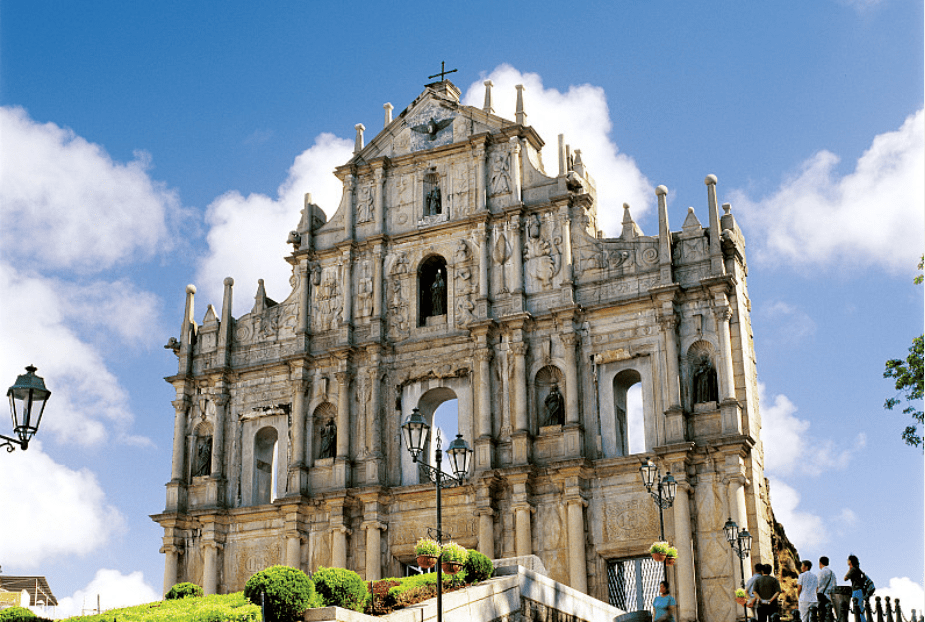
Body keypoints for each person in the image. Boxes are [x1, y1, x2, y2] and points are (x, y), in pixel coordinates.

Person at [845, 555, 866, 622]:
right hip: (860, 590)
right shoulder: (858, 569)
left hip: (856, 590)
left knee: (858, 609)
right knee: (860, 608)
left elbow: (845, 578)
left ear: (850, 561)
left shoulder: (853, 569)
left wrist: (849, 568)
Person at [816, 556, 836, 622]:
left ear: (820, 563)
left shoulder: (821, 572)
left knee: (821, 615)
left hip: (821, 596)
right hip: (830, 596)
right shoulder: (832, 573)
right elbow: (834, 586)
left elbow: (818, 584)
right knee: (829, 614)